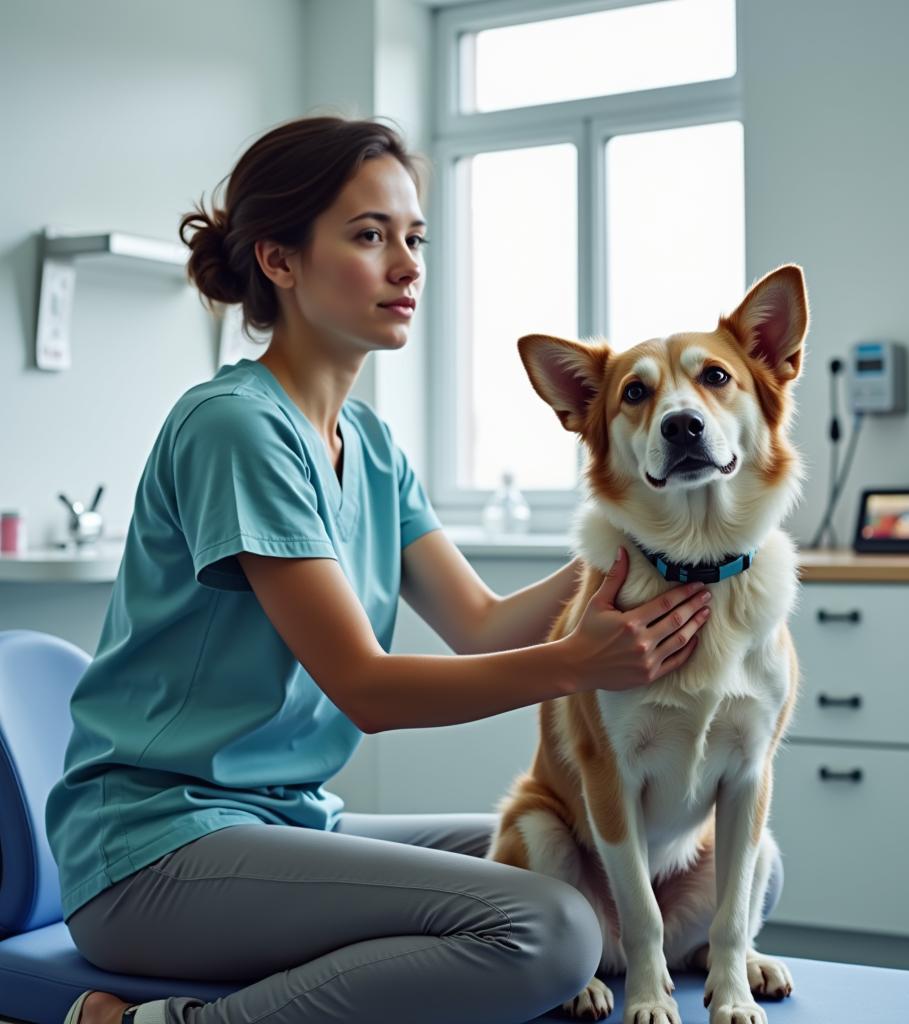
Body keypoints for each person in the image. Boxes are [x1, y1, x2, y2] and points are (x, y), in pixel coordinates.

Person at [48, 115, 728, 1024]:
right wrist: (578, 663)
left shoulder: (367, 444)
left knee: (670, 866)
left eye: (415, 238)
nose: (408, 266)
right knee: (552, 932)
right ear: (280, 261)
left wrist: (650, 548)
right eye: (370, 237)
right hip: (153, 853)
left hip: (288, 824)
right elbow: (366, 689)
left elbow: (480, 623)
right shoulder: (237, 427)